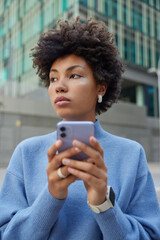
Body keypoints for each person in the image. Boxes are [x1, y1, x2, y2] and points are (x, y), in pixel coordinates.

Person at [0, 17, 160, 240]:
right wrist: (51, 195)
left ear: (100, 87)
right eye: (53, 78)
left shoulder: (132, 155)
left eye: (74, 75)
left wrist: (103, 203)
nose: (59, 86)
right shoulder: (26, 153)